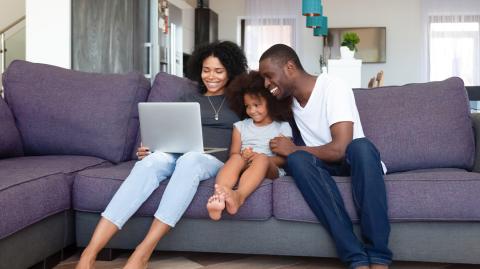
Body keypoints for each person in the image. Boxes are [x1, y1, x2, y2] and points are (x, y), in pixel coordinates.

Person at [76, 41, 248, 269]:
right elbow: (166, 130)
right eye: (206, 70)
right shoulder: (187, 100)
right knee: (150, 163)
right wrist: (151, 147)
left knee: (190, 160)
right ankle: (89, 254)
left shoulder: (239, 102)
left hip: (210, 159)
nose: (211, 76)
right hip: (176, 151)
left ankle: (143, 251)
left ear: (230, 72)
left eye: (219, 71)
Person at [259, 44, 392, 269]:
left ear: (290, 67)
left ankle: (378, 257)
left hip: (354, 160)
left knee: (361, 147)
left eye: (269, 76)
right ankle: (356, 258)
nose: (266, 84)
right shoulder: (286, 103)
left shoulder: (332, 86)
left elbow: (340, 148)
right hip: (321, 164)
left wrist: (294, 149)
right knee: (297, 161)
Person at [206, 71, 292, 220]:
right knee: (235, 159)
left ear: (270, 102)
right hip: (245, 162)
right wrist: (242, 155)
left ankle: (239, 196)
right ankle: (220, 195)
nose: (252, 110)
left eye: (257, 105)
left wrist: (259, 157)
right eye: (248, 106)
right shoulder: (240, 126)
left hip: (270, 166)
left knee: (262, 159)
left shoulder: (282, 127)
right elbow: (233, 154)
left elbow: (283, 159)